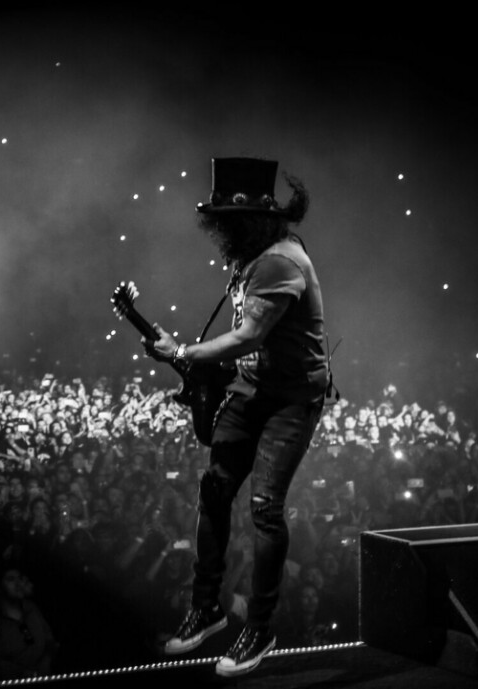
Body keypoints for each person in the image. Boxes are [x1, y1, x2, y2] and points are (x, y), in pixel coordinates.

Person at [144, 157, 329, 677]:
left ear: (252, 221)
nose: (220, 232)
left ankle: (261, 626)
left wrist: (183, 352)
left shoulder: (280, 262)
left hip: (290, 399)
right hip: (252, 389)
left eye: (228, 222)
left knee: (265, 509)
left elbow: (249, 336)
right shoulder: (251, 259)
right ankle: (206, 608)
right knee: (215, 488)